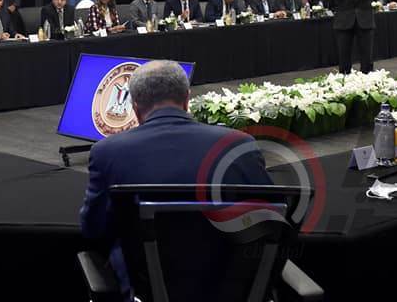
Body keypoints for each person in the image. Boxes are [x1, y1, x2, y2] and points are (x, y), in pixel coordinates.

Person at [80, 60, 272, 299]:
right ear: (187, 100)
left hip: (147, 290)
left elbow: (94, 229)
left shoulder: (107, 152)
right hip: (232, 288)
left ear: (135, 107)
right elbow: (271, 222)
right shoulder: (239, 145)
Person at [332, 0, 376, 74]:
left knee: (366, 53)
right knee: (343, 53)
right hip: (344, 19)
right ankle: (345, 76)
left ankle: (367, 76)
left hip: (365, 19)